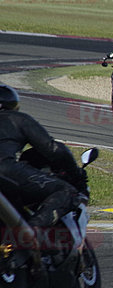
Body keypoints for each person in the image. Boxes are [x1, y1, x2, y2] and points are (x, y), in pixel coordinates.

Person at [0, 85, 87, 237]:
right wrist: (76, 175)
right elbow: (54, 150)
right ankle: (30, 233)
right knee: (67, 191)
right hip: (6, 171)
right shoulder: (16, 119)